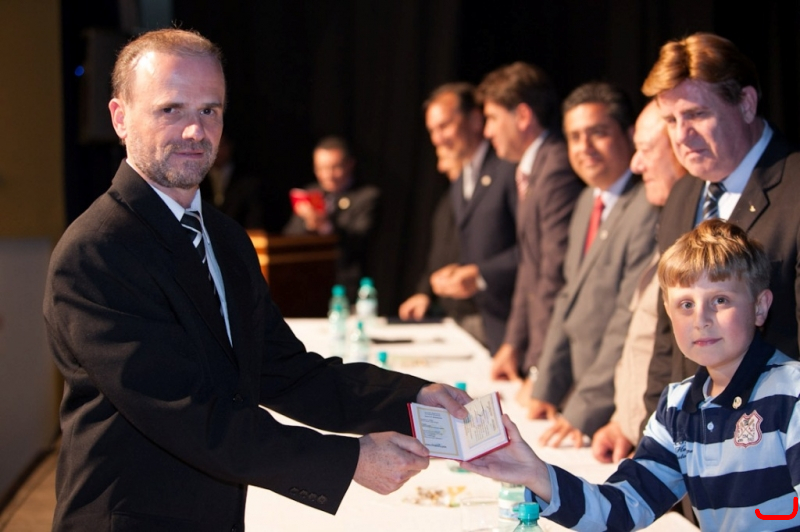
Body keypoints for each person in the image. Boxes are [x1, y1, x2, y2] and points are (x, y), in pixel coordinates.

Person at [43, 28, 470, 531]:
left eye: (210, 110)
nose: (195, 130)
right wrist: (349, 461)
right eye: (170, 109)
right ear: (120, 117)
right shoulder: (96, 251)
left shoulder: (225, 238)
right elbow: (187, 416)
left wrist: (413, 399)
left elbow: (284, 370)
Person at [460, 219, 799, 532]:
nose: (701, 319)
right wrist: (536, 474)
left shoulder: (792, 395)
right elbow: (621, 509)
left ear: (760, 307)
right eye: (686, 305)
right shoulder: (678, 407)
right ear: (667, 312)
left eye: (720, 300)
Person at [642, 32, 800, 428]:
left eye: (696, 114)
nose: (681, 135)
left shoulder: (795, 188)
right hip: (691, 444)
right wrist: (656, 436)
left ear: (746, 103)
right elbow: (667, 339)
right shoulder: (682, 194)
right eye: (671, 120)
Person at [527, 82, 659, 447]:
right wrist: (545, 388)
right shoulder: (587, 200)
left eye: (597, 133)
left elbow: (625, 322)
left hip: (616, 411)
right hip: (579, 394)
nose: (583, 147)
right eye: (574, 137)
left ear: (629, 135)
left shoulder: (648, 204)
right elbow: (568, 298)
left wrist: (582, 410)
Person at [475, 61, 584, 383]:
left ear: (522, 116)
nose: (487, 131)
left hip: (557, 361)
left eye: (492, 118)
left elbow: (553, 273)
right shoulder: (534, 167)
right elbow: (528, 268)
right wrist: (512, 344)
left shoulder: (556, 168)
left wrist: (539, 369)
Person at [591, 101, 687, 463]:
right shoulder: (670, 225)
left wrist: (653, 445)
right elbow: (640, 342)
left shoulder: (701, 240)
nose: (635, 164)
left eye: (645, 149)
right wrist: (623, 422)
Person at [415, 82, 519, 353]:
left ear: (474, 120)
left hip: (509, 325)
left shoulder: (507, 167)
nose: (437, 139)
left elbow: (533, 247)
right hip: (473, 320)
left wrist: (481, 275)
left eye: (444, 126)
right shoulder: (462, 179)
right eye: (432, 130)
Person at [283, 135, 380, 300]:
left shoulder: (366, 196)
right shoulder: (310, 194)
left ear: (350, 164)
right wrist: (309, 225)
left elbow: (359, 241)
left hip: (349, 287)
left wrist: (325, 226)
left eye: (335, 167)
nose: (328, 175)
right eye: (321, 168)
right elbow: (288, 238)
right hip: (308, 284)